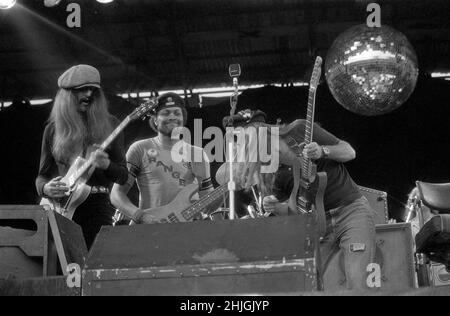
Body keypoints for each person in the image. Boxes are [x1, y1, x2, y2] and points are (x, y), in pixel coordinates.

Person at [36, 64, 128, 249]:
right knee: (64, 266)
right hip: (62, 207)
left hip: (97, 206)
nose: (88, 94)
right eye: (81, 90)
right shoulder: (52, 129)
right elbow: (42, 175)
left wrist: (106, 165)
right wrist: (45, 188)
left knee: (95, 263)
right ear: (67, 95)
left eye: (93, 90)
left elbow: (123, 176)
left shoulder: (111, 124)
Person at [110, 92, 214, 224]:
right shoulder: (140, 149)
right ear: (154, 120)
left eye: (177, 113)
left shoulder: (197, 154)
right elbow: (116, 194)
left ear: (183, 118)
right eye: (166, 113)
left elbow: (208, 205)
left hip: (186, 231)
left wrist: (228, 188)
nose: (172, 117)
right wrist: (140, 216)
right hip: (148, 231)